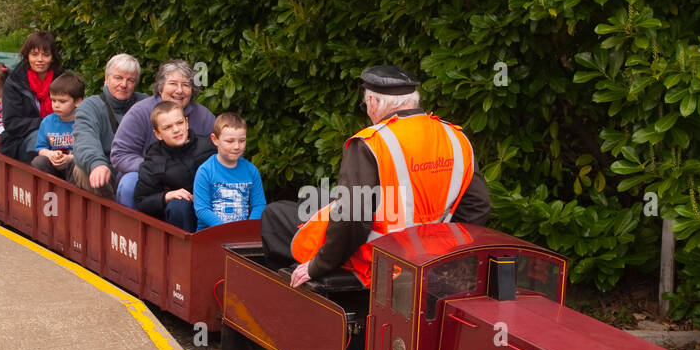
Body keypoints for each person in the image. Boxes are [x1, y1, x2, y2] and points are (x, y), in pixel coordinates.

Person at [261, 66, 490, 288]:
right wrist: (444, 256)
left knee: (275, 214)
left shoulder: (372, 142)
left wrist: (317, 266)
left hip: (380, 261)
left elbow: (353, 218)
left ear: (374, 102)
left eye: (365, 104)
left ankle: (287, 297)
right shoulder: (455, 137)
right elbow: (477, 205)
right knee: (316, 200)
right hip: (432, 258)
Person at [111, 59, 215, 208]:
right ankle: (132, 229)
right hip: (147, 180)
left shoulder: (204, 117)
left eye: (185, 85)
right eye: (173, 83)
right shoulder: (139, 113)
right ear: (161, 87)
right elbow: (120, 154)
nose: (179, 90)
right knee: (129, 184)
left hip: (190, 183)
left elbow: (219, 152)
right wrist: (160, 173)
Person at [133, 102, 215, 230]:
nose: (176, 130)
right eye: (167, 127)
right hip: (180, 216)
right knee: (178, 205)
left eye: (179, 123)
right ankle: (184, 248)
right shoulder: (154, 160)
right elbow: (142, 201)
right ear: (158, 134)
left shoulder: (208, 148)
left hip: (212, 207)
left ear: (187, 122)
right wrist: (166, 196)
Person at [70, 54, 143, 199]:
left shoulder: (145, 104)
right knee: (82, 169)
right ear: (106, 78)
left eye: (130, 80)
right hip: (105, 170)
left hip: (137, 171)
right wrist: (97, 164)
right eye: (118, 78)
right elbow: (85, 140)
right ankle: (110, 214)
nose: (124, 84)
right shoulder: (90, 106)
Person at [193, 113, 266, 229]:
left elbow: (259, 205)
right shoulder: (205, 171)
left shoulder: (251, 170)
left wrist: (249, 227)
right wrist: (224, 229)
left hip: (241, 233)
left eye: (242, 140)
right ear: (215, 140)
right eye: (230, 141)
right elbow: (202, 209)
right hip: (209, 234)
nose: (237, 146)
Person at [0, 30, 60, 164]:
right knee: (38, 140)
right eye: (34, 54)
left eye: (45, 55)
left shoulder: (62, 81)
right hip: (20, 140)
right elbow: (12, 124)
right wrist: (45, 123)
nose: (40, 59)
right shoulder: (14, 82)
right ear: (27, 56)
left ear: (52, 57)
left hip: (60, 133)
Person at [31, 72, 84, 180]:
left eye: (62, 101)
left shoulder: (84, 122)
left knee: (78, 164)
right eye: (53, 100)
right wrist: (50, 154)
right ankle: (46, 192)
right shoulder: (47, 122)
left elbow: (88, 152)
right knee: (38, 161)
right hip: (53, 165)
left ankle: (73, 195)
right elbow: (41, 148)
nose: (56, 105)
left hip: (73, 166)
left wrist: (70, 158)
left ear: (78, 101)